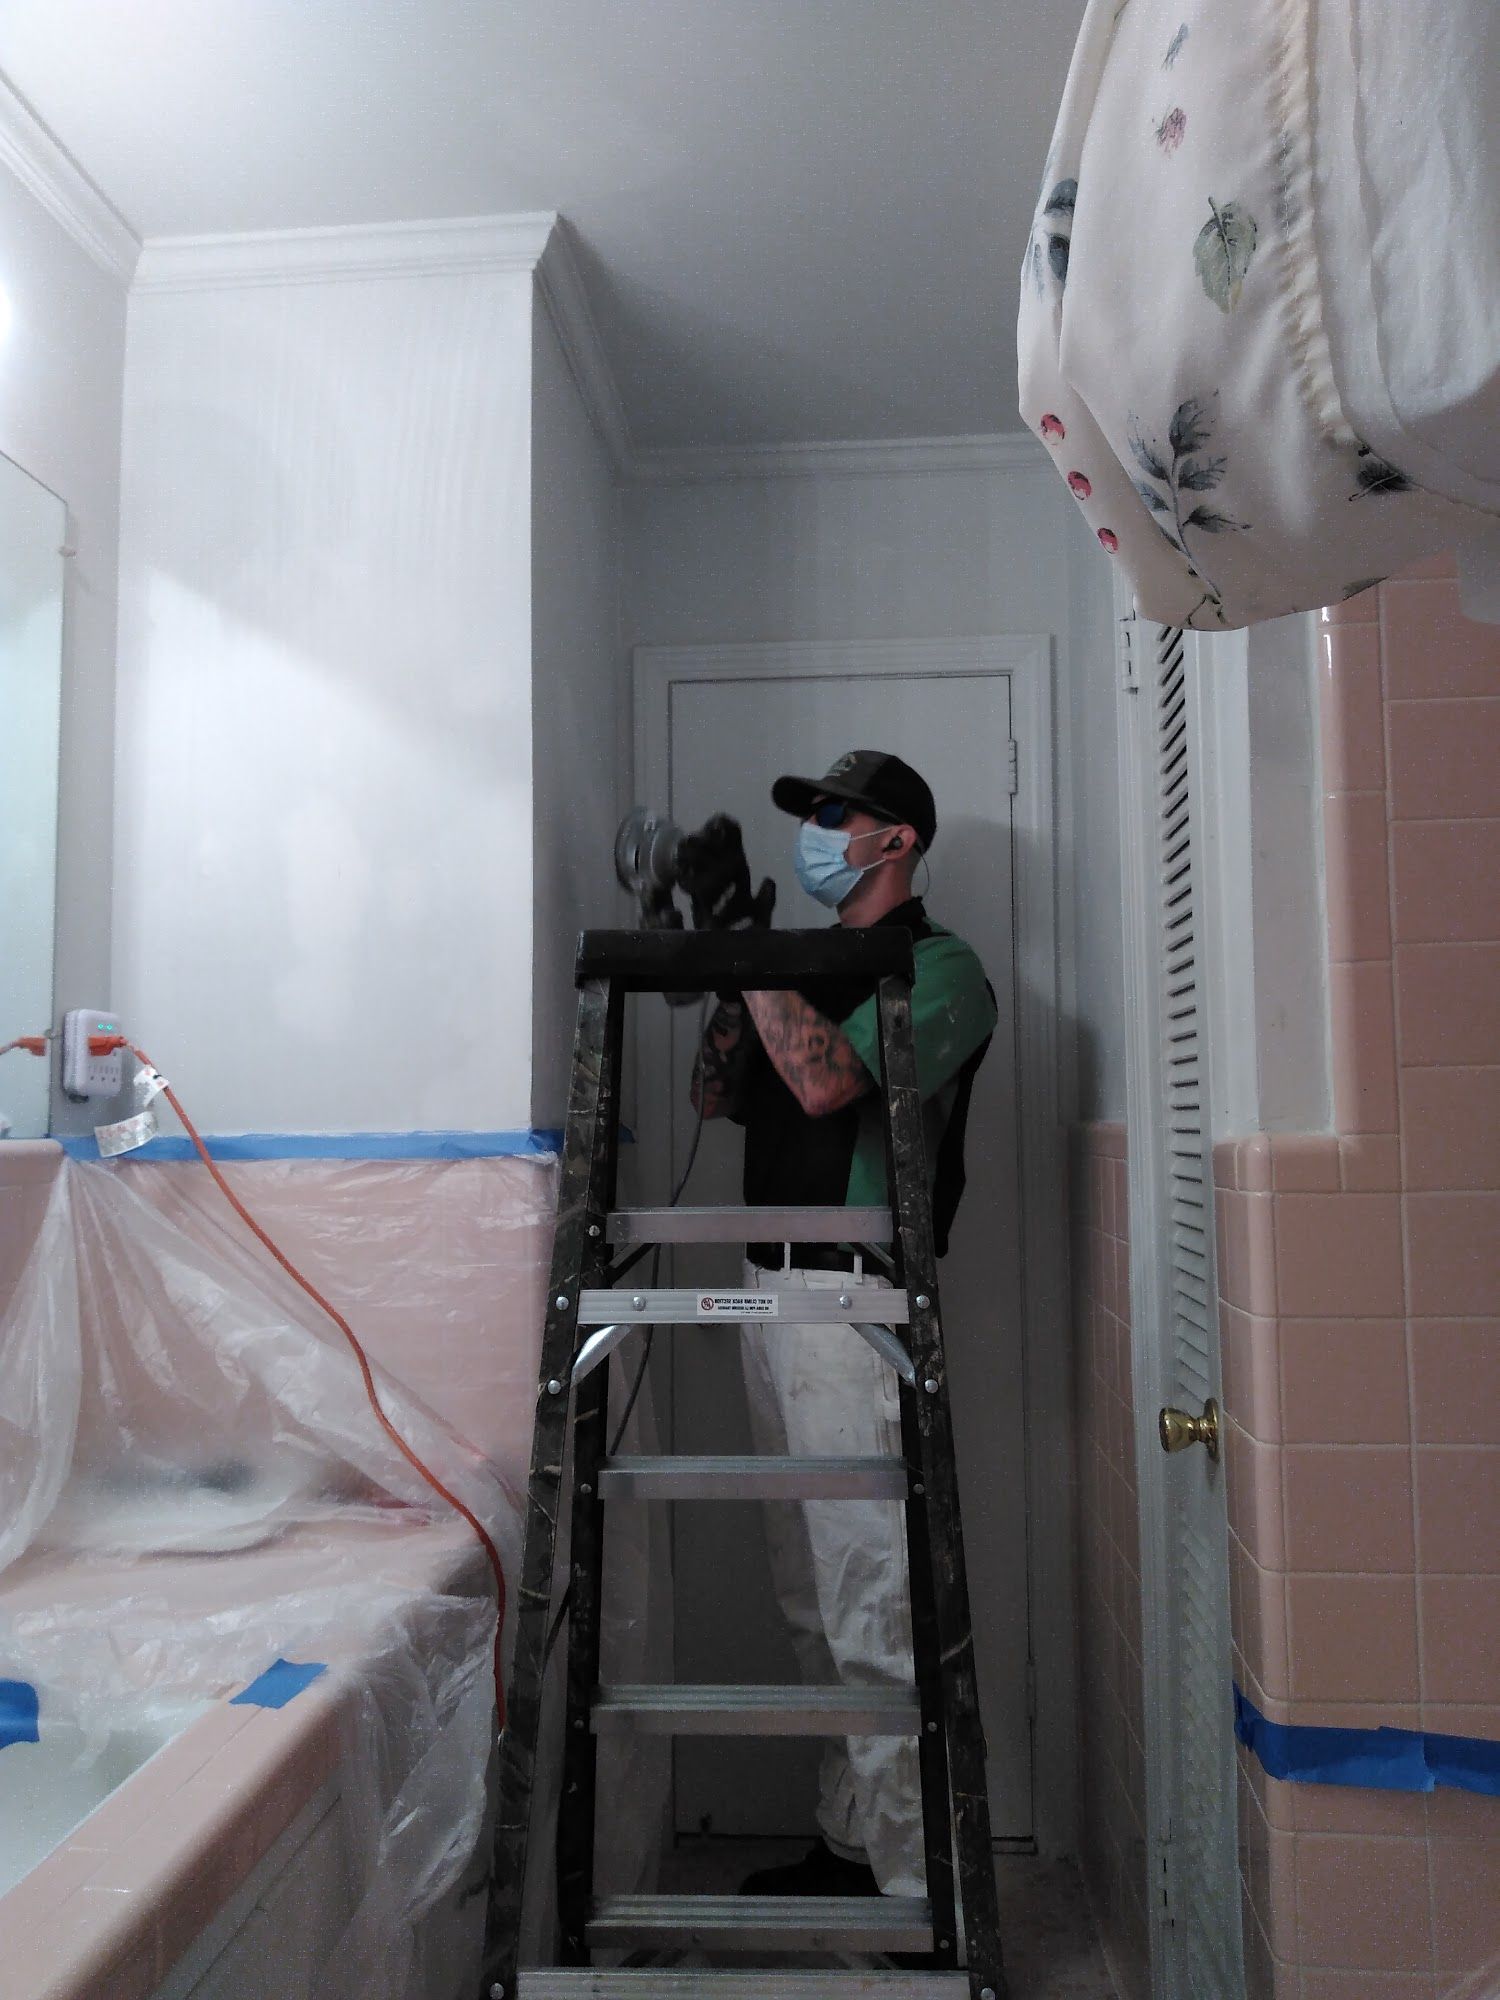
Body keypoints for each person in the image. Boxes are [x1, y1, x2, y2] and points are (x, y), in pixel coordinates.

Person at [681, 749, 997, 1905]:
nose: (817, 832)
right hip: (768, 1294)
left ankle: (919, 1904)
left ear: (895, 838)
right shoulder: (801, 966)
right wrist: (730, 953)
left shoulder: (944, 968)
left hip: (849, 1306)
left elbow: (826, 1084)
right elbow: (714, 1094)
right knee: (809, 1602)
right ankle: (853, 1846)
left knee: (870, 1604)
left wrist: (758, 959)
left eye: (834, 814)